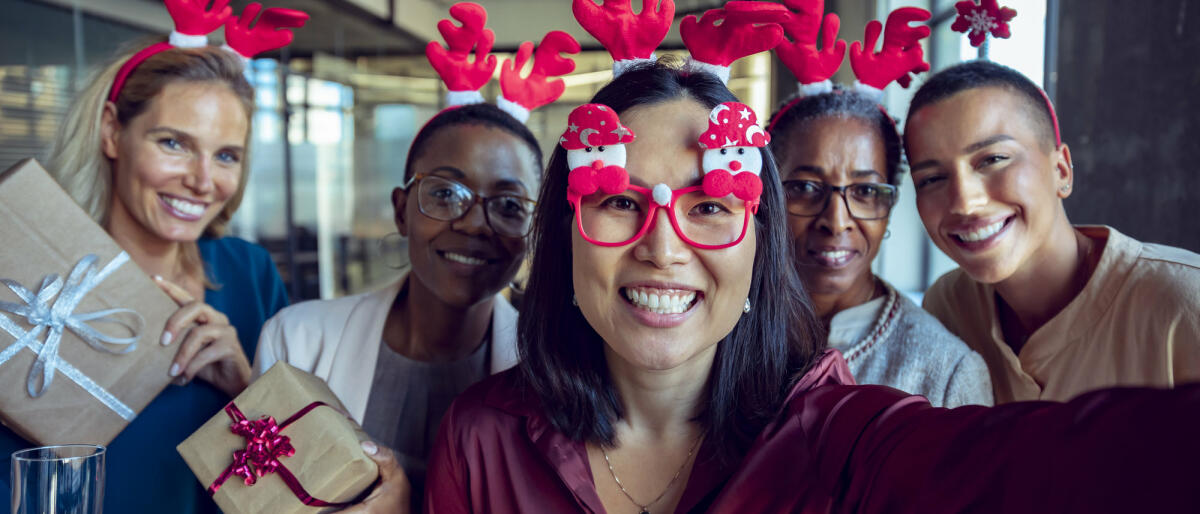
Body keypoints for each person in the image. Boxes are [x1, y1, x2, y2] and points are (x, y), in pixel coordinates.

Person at [424, 61, 1200, 514]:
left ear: (758, 250)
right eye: (621, 202)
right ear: (565, 237)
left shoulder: (838, 433)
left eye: (710, 208)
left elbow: (1022, 469)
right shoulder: (480, 437)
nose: (663, 249)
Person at [0, 38, 290, 513]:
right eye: (174, 143)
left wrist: (247, 384)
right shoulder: (30, 282)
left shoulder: (248, 273)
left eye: (225, 156)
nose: (202, 180)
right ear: (112, 132)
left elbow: (302, 475)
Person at [253, 103, 541, 510]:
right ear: (402, 210)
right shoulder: (295, 342)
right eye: (445, 193)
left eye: (509, 204)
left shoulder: (552, 378)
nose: (474, 223)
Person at [905, 60, 1200, 403]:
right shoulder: (948, 306)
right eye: (931, 179)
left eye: (993, 159)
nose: (965, 203)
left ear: (1061, 171)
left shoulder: (1182, 304)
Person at [767, 90, 991, 407]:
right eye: (805, 187)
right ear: (769, 194)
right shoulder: (725, 330)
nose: (836, 220)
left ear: (890, 203)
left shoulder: (944, 370)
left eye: (866, 191)